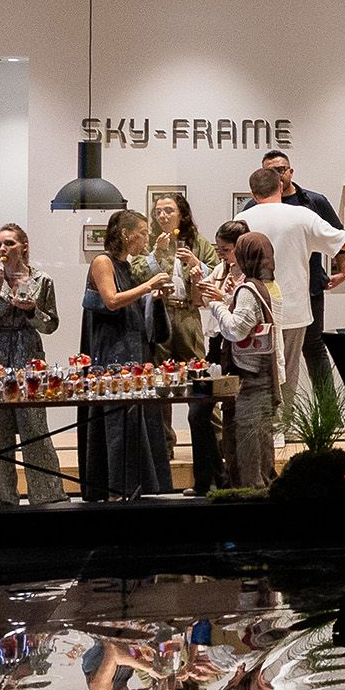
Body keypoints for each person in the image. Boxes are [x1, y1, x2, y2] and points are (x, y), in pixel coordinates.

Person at [0, 223, 66, 506]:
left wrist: (32, 310)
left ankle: (47, 497)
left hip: (28, 357)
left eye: (9, 243)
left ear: (23, 246)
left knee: (34, 429)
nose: (3, 249)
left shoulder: (42, 280)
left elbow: (51, 325)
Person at [81, 209, 172, 501]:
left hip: (132, 347)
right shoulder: (103, 262)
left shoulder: (125, 265)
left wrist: (153, 297)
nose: (145, 239)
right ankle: (114, 490)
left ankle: (133, 487)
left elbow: (132, 303)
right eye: (142, 233)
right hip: (112, 351)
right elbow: (111, 300)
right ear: (125, 234)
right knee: (117, 422)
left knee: (134, 421)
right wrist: (148, 286)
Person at [242, 164, 345, 409]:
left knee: (257, 374)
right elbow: (344, 241)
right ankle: (285, 424)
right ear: (280, 186)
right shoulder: (302, 215)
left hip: (255, 308)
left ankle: (268, 426)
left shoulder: (242, 219)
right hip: (293, 308)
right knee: (288, 373)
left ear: (253, 193)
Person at [151, 193, 221, 492]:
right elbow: (139, 271)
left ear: (182, 213)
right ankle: (163, 445)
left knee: (200, 380)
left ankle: (214, 445)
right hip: (160, 313)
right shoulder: (153, 241)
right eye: (158, 211)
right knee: (160, 382)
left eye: (169, 210)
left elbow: (217, 272)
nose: (163, 216)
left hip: (189, 313)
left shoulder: (198, 242)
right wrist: (156, 254)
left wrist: (196, 263)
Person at [211, 231, 280, 489]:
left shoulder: (249, 289)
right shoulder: (268, 285)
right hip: (265, 374)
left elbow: (236, 330)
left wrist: (217, 304)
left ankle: (250, 495)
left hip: (249, 376)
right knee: (261, 439)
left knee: (247, 444)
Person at [199, 218, 251, 483]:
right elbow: (201, 300)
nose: (221, 255)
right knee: (199, 411)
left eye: (226, 250)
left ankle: (233, 478)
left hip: (236, 350)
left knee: (233, 415)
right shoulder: (221, 269)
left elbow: (240, 323)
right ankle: (211, 478)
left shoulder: (251, 277)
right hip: (216, 344)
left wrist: (221, 299)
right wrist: (199, 284)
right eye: (218, 249)